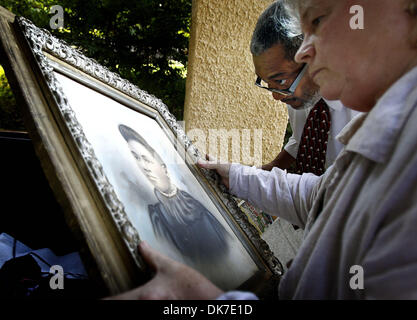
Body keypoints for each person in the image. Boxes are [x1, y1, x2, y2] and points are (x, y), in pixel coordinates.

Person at [109, 0, 417, 299]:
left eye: (318, 20)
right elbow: (322, 195)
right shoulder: (385, 132)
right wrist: (239, 176)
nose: (307, 52)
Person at [118, 124, 258, 290]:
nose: (143, 166)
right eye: (136, 158)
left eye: (146, 159)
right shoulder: (156, 215)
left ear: (162, 166)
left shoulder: (196, 200)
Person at [251, 1, 359, 174]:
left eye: (280, 81)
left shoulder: (363, 108)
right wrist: (266, 170)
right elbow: (300, 139)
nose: (276, 96)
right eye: (266, 83)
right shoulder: (296, 94)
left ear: (312, 59)